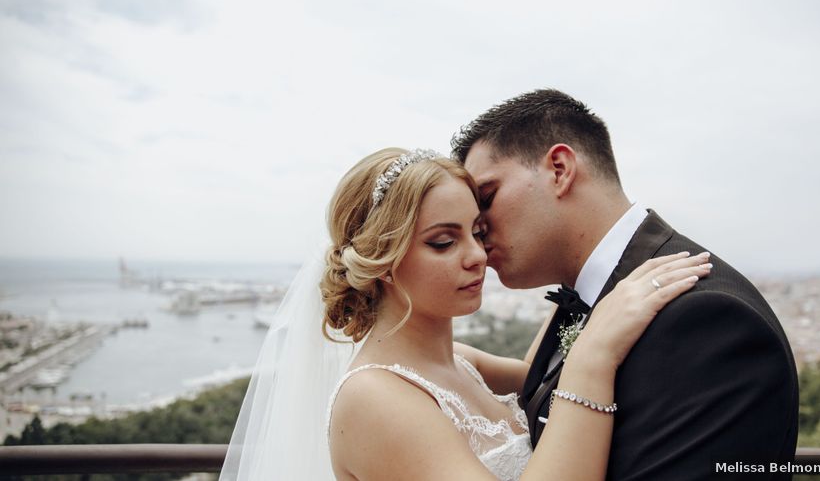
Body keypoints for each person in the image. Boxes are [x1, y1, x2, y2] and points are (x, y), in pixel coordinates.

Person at [220, 146, 711, 481]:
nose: (477, 254)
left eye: (477, 231)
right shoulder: (375, 397)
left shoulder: (462, 362)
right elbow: (577, 374)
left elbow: (544, 375)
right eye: (443, 241)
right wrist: (593, 356)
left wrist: (590, 278)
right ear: (382, 261)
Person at [450, 89, 800, 480]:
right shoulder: (585, 298)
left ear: (560, 170)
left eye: (487, 196)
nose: (477, 230)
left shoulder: (705, 319)